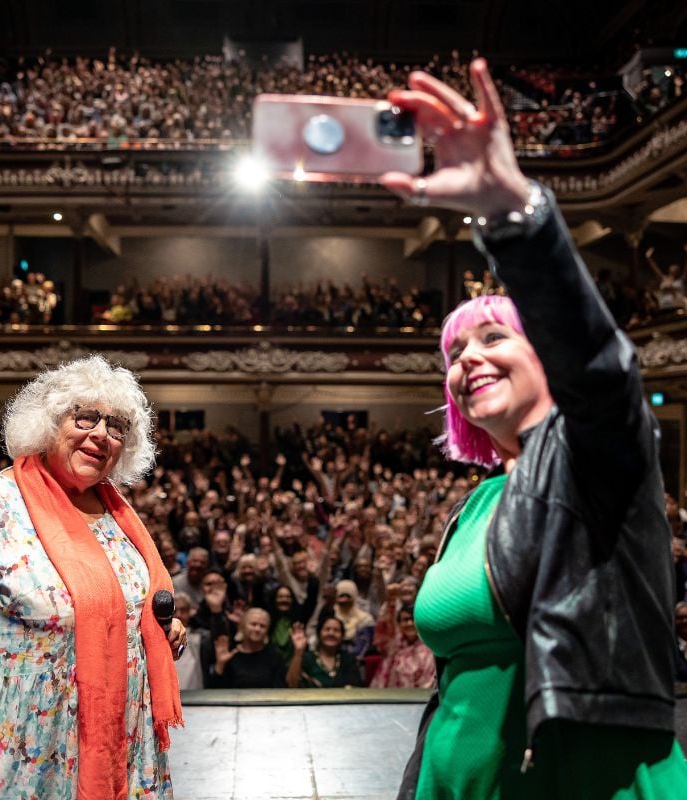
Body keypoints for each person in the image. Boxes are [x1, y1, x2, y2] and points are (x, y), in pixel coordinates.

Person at [380, 60, 687, 798]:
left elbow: (601, 371)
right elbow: (460, 680)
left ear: (548, 348)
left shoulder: (595, 451)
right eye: (455, 352)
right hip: (461, 779)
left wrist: (513, 216)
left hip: (579, 777)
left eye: (492, 338)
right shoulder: (479, 501)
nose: (468, 360)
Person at [0, 355, 187, 799]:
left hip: (114, 742)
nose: (101, 434)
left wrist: (151, 630)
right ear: (47, 424)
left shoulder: (116, 512)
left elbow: (114, 599)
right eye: (84, 417)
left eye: (117, 425)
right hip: (14, 751)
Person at [211, 607, 286, 688]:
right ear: (243, 626)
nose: (257, 629)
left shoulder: (275, 657)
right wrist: (220, 665)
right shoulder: (230, 654)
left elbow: (280, 691)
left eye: (262, 626)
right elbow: (215, 691)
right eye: (253, 624)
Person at [286, 617, 362, 688]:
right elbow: (292, 684)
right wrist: (299, 651)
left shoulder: (348, 659)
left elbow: (355, 687)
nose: (331, 633)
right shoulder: (307, 658)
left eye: (336, 630)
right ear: (319, 633)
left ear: (342, 636)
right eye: (327, 629)